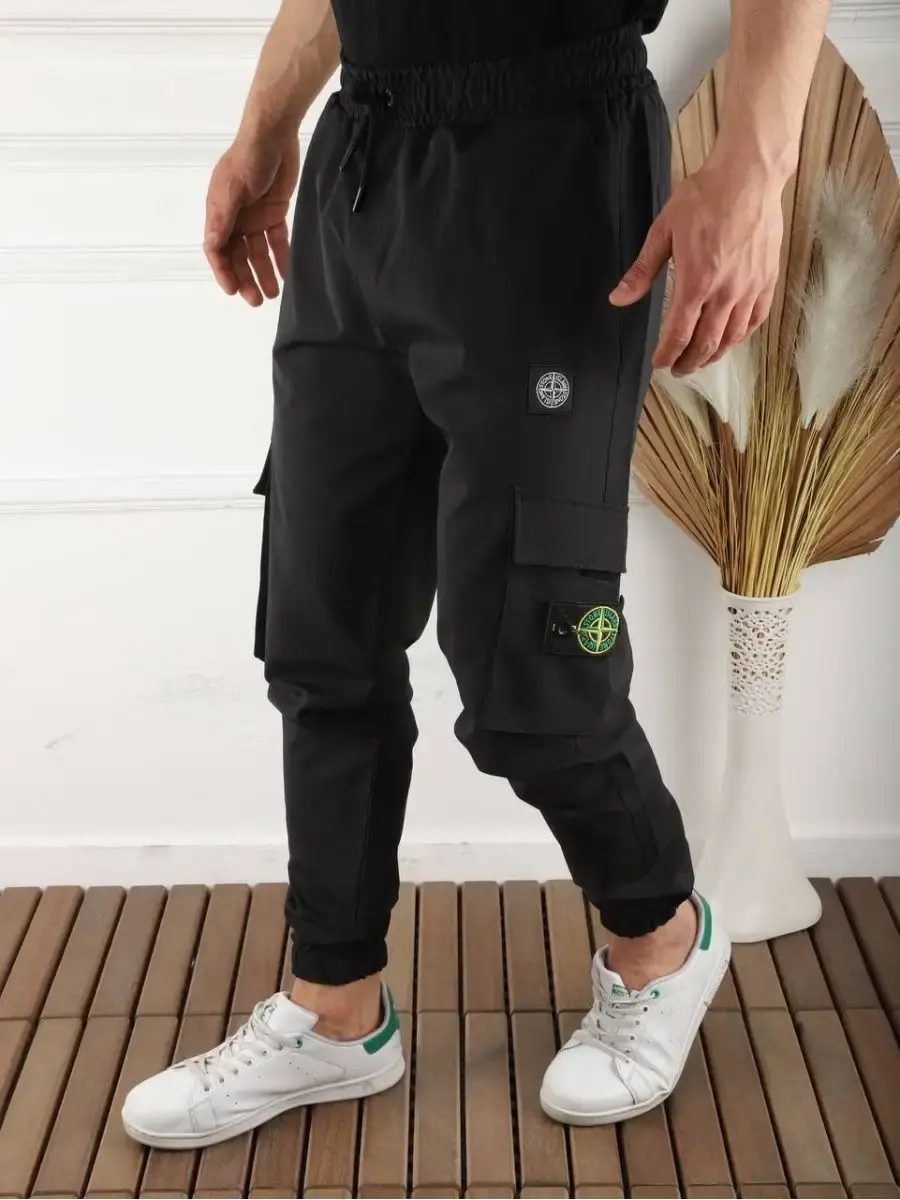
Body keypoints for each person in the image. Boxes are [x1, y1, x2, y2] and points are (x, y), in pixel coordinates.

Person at [122, 0, 831, 1146]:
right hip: (361, 162)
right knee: (321, 631)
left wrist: (756, 164)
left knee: (531, 662)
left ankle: (661, 936)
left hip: (553, 160)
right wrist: (266, 126)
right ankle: (336, 1006)